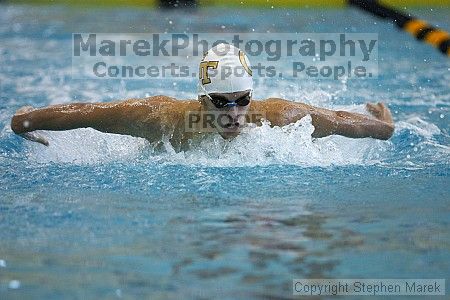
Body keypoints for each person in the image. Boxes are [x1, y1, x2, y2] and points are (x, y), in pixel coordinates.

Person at [10, 43, 394, 151]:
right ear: (201, 100)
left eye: (242, 99)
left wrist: (384, 127)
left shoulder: (278, 117)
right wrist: (24, 120)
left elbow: (342, 120)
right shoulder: (161, 118)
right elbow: (88, 112)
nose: (235, 113)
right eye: (221, 102)